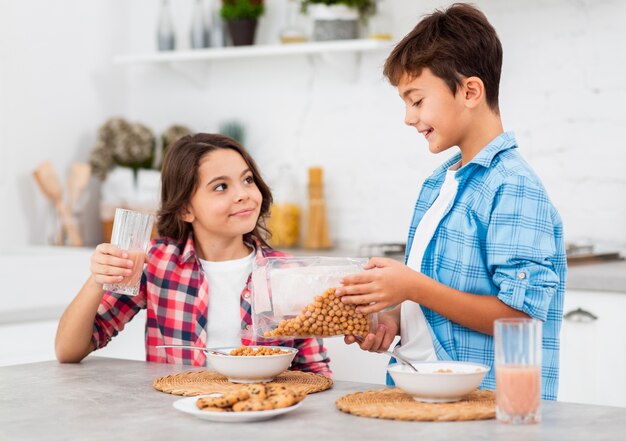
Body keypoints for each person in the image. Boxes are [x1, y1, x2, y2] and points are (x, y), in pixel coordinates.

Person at [336, 3, 565, 400]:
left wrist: (412, 287)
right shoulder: (437, 185)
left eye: (417, 100)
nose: (409, 117)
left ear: (470, 91)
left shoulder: (513, 186)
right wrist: (393, 318)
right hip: (422, 395)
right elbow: (438, 306)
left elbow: (521, 321)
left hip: (487, 406)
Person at [55, 133, 331, 375]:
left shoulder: (287, 272)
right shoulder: (155, 262)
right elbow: (68, 351)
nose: (243, 194)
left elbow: (315, 371)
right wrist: (97, 279)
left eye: (247, 180)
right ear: (186, 209)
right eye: (221, 186)